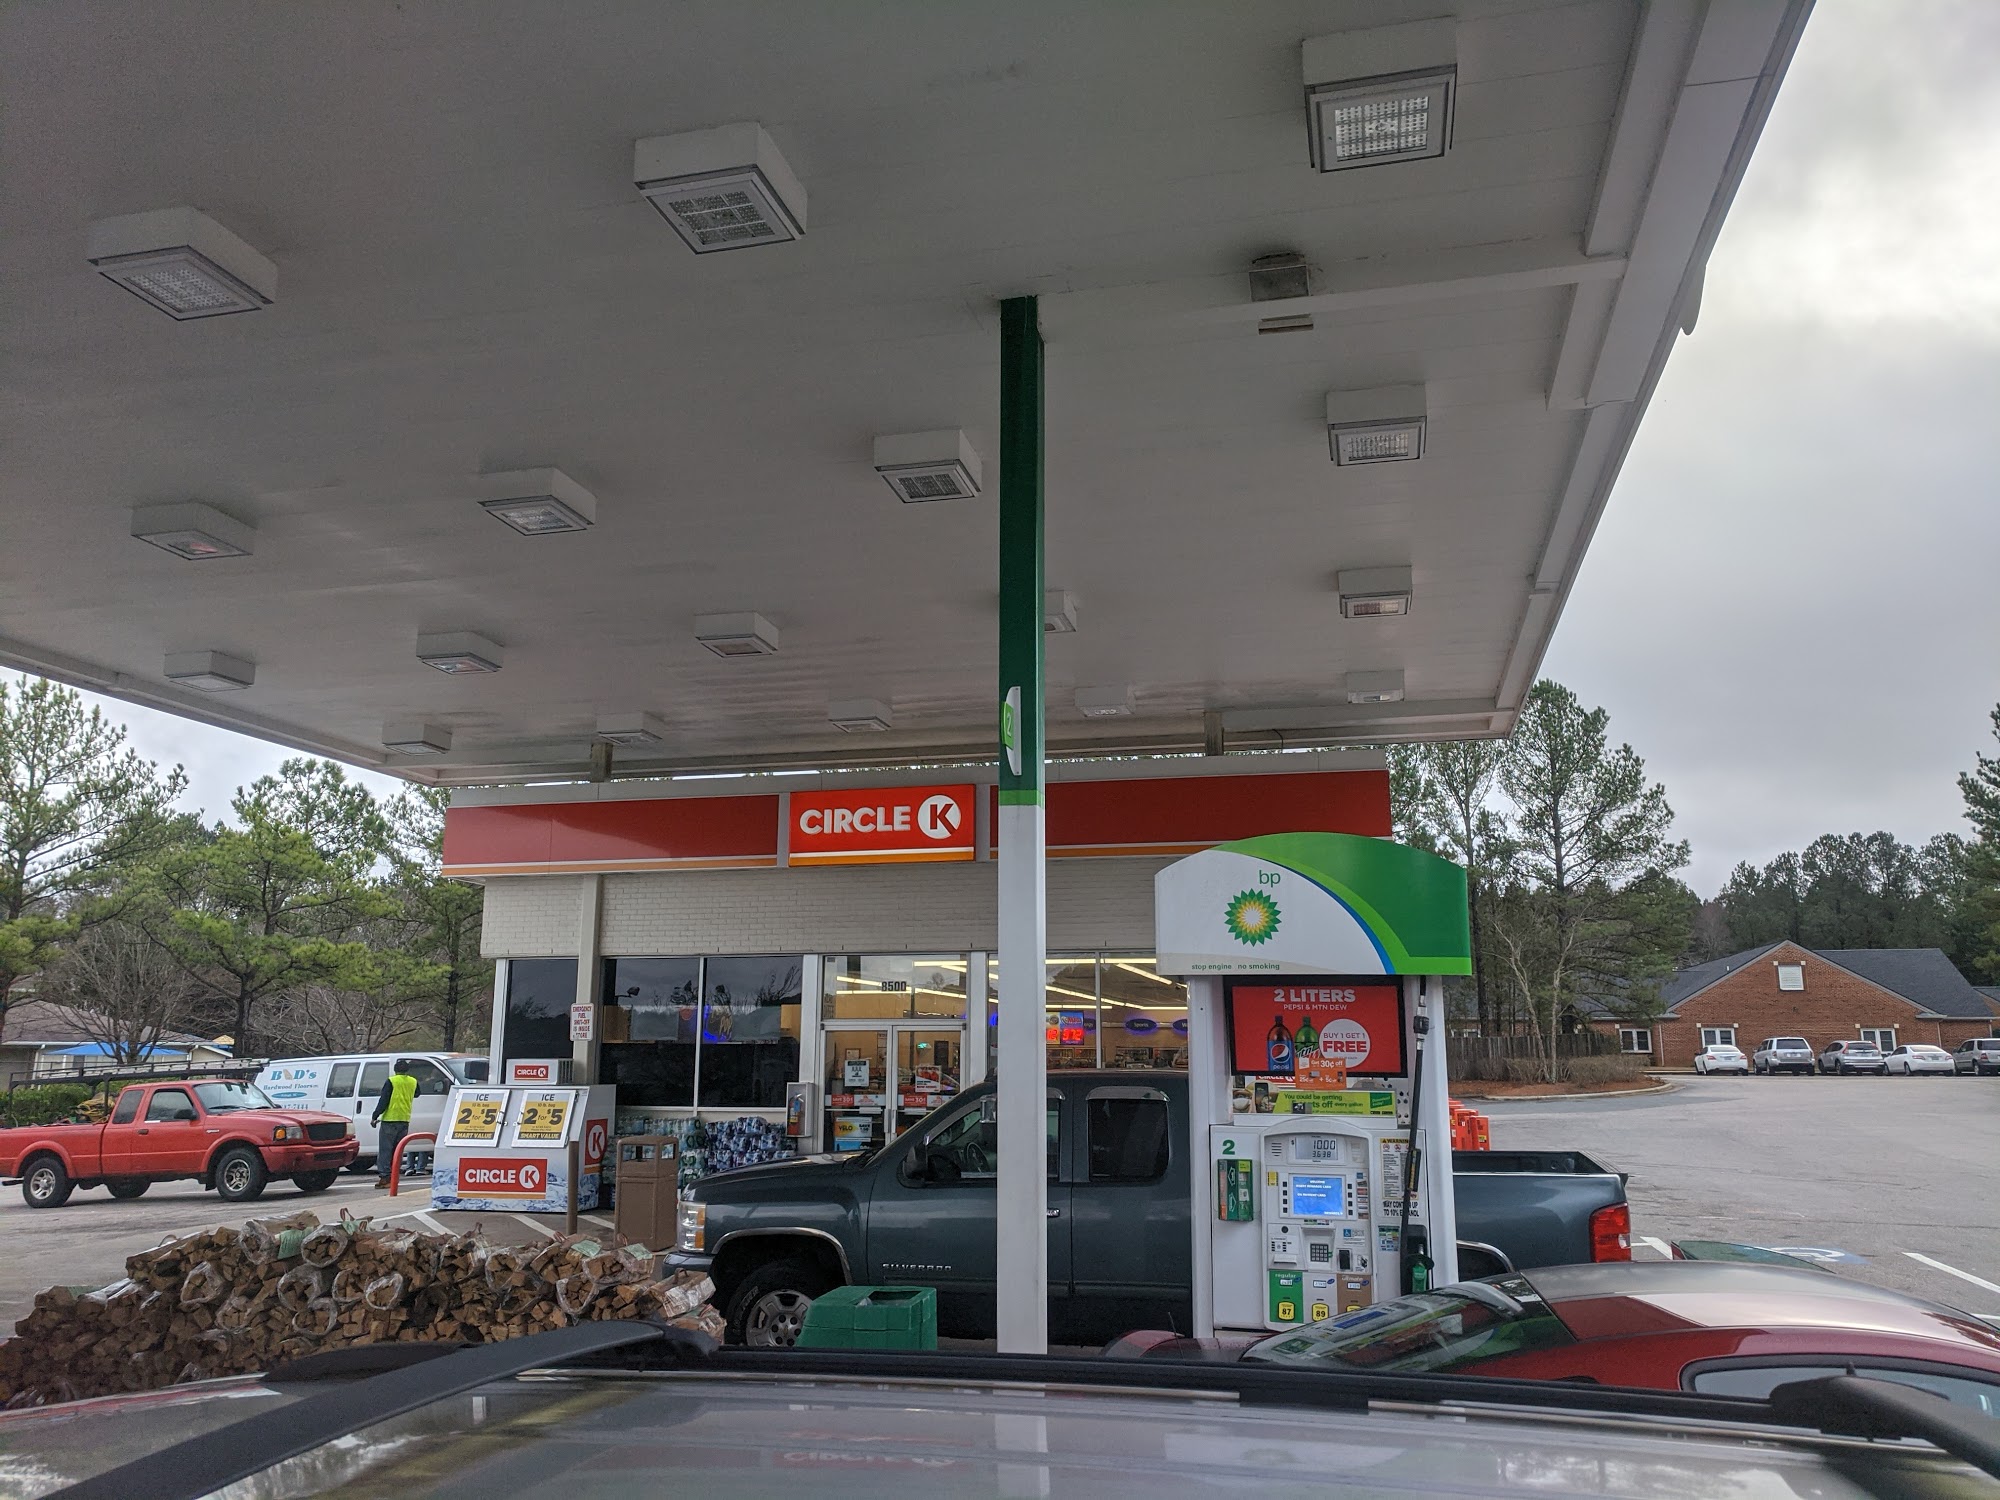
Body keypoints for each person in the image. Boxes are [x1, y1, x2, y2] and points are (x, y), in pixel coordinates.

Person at [372, 1060, 419, 1184]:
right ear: (407, 1070)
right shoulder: (413, 1081)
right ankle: (394, 1177)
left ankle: (385, 1177)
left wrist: (375, 1115)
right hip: (404, 1119)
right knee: (397, 1151)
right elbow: (417, 1093)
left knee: (385, 1150)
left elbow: (384, 1100)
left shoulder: (391, 1081)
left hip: (390, 1120)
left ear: (395, 1070)